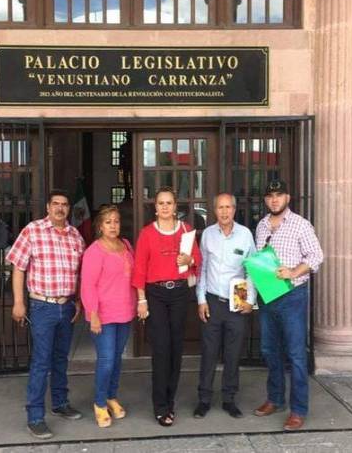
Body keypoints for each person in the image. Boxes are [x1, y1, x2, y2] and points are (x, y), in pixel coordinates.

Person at [7, 189, 85, 440]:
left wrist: (79, 302)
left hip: (67, 305)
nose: (61, 208)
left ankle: (60, 403)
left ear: (69, 208)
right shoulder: (33, 230)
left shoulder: (75, 236)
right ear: (48, 207)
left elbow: (81, 273)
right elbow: (18, 267)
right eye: (56, 204)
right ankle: (35, 416)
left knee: (61, 358)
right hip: (42, 306)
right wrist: (19, 302)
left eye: (65, 204)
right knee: (41, 361)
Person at [253, 179, 323, 431]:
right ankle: (275, 399)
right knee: (270, 350)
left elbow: (316, 256)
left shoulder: (301, 225)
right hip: (268, 296)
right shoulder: (261, 226)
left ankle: (298, 409)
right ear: (265, 200)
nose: (274, 199)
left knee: (295, 354)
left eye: (279, 195)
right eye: (270, 195)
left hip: (293, 296)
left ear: (288, 198)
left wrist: (293, 272)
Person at [132, 186, 202, 427]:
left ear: (175, 206)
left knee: (175, 349)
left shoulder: (187, 231)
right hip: (156, 295)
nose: (164, 207)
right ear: (155, 207)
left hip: (180, 293)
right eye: (160, 203)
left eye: (169, 203)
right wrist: (141, 299)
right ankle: (160, 406)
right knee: (161, 349)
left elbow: (198, 261)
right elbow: (139, 268)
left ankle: (170, 401)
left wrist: (189, 260)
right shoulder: (146, 234)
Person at [193, 193, 256, 419]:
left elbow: (252, 270)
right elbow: (202, 269)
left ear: (234, 209)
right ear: (214, 210)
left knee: (233, 353)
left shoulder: (245, 235)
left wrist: (251, 300)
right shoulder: (208, 234)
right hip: (213, 301)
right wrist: (201, 300)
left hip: (237, 302)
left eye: (228, 207)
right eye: (220, 207)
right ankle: (204, 399)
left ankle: (229, 399)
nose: (224, 211)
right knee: (209, 353)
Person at [80, 205, 137, 428]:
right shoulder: (94, 251)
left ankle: (112, 397)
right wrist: (93, 314)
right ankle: (99, 403)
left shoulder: (126, 245)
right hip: (102, 314)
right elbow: (88, 285)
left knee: (117, 359)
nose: (113, 225)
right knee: (106, 361)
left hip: (124, 311)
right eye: (108, 222)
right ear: (100, 226)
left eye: (116, 221)